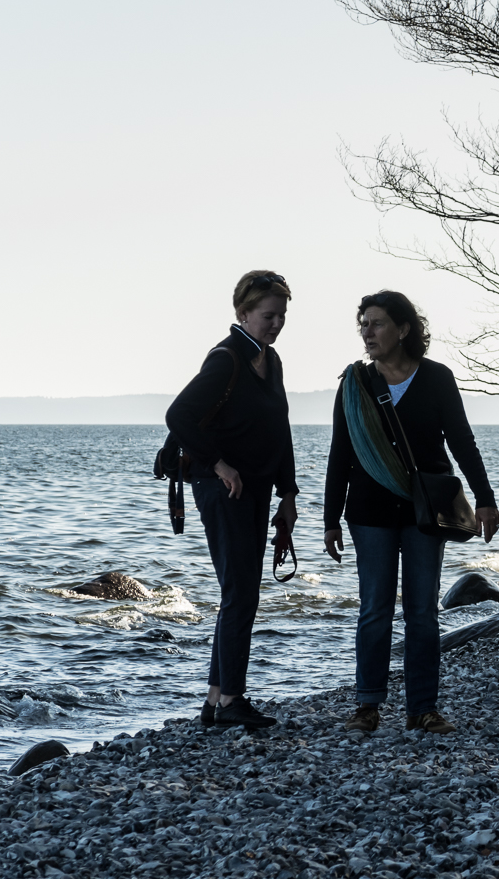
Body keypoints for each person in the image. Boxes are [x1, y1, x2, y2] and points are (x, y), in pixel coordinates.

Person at [323, 291, 499, 734]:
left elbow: (462, 441)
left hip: (425, 512)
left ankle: (423, 708)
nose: (367, 331)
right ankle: (367, 707)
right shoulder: (354, 386)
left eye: (377, 323)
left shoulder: (437, 378)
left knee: (422, 611)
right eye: (363, 323)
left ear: (403, 329)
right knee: (375, 608)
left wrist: (485, 498)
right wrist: (329, 519)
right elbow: (340, 455)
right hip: (368, 512)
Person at [166, 270, 298, 729]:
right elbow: (178, 414)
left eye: (282, 315)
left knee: (240, 593)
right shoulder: (226, 359)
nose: (276, 323)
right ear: (243, 313)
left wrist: (289, 493)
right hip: (221, 488)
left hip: (258, 488)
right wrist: (219, 464)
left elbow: (280, 429)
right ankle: (230, 701)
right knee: (239, 593)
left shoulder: (271, 360)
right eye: (268, 315)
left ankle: (216, 699)